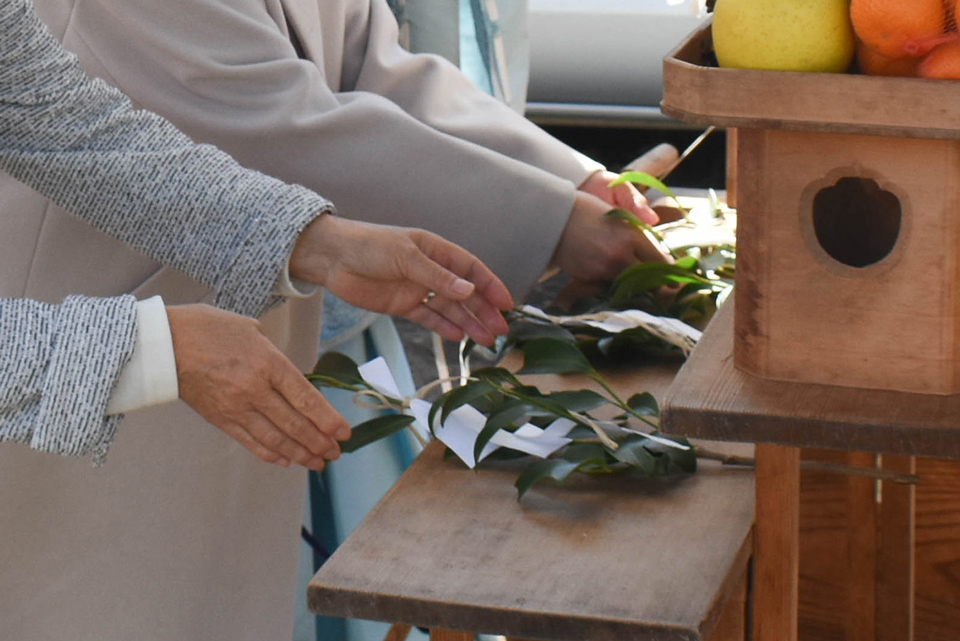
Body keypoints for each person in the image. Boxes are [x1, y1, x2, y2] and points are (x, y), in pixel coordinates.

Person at [6, 1, 671, 640]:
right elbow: (266, 117)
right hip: (80, 381)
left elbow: (59, 120)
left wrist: (313, 241)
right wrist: (145, 349)